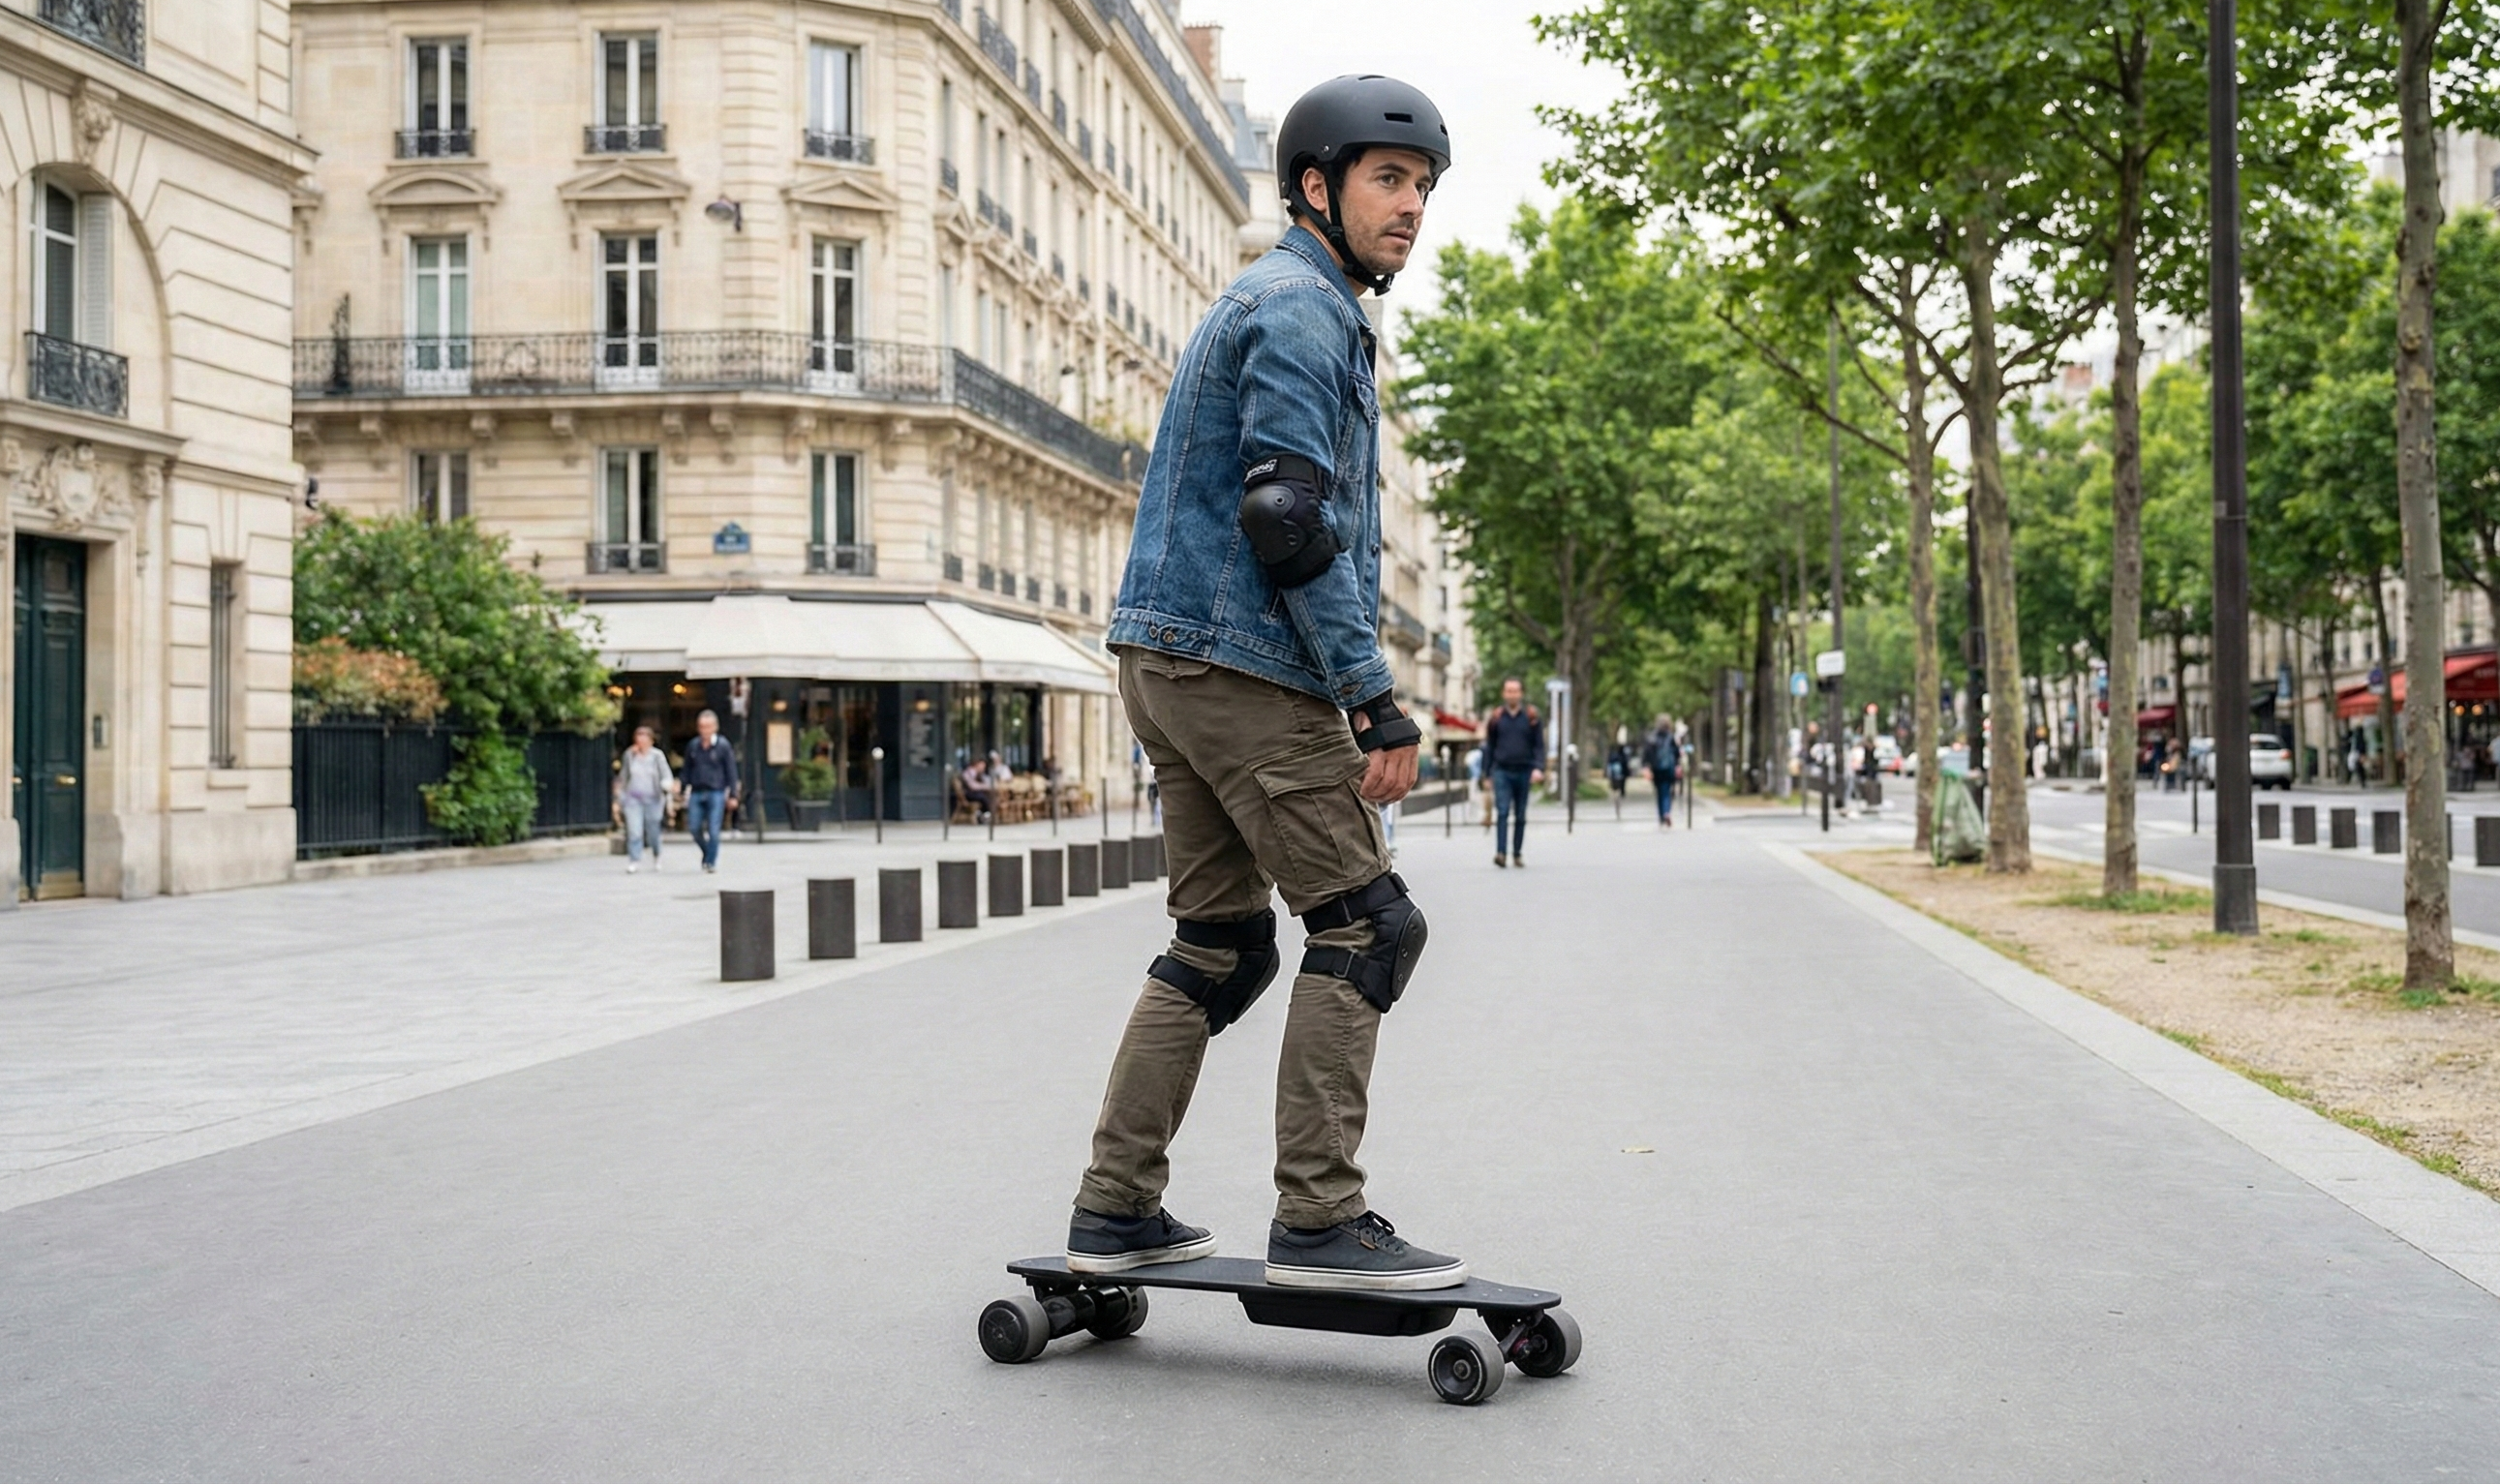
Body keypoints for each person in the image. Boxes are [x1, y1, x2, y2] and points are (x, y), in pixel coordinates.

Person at [1061, 75, 1464, 1292]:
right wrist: (1371, 696)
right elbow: (1288, 514)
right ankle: (1319, 1219)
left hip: (1166, 658)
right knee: (1366, 924)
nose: (1410, 207)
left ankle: (1115, 1206)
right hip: (1243, 666)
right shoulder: (1302, 307)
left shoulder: (1272, 297)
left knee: (1220, 945)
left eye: (1423, 187)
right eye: (1389, 179)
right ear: (1314, 184)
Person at [1483, 677, 1543, 867]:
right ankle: (1501, 852)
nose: (1512, 694)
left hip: (1524, 770)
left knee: (1521, 814)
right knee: (1502, 812)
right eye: (1509, 691)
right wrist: (1487, 774)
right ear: (1504, 693)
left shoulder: (1531, 717)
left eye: (1515, 691)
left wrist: (1538, 768)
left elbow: (1539, 746)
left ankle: (1517, 853)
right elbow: (1489, 746)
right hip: (1502, 770)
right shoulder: (1496, 718)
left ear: (1521, 694)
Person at [680, 709, 739, 873]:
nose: (704, 731)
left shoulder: (722, 746)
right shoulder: (693, 746)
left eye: (708, 727)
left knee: (714, 830)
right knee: (694, 827)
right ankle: (707, 852)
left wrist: (733, 794)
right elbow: (687, 769)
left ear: (715, 727)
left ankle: (710, 862)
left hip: (716, 791)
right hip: (697, 790)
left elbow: (731, 771)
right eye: (701, 727)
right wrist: (683, 788)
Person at [615, 724, 674, 872]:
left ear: (651, 740)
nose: (641, 741)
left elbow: (666, 774)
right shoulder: (630, 755)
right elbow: (624, 776)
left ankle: (657, 853)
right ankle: (634, 859)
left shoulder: (657, 756)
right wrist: (620, 796)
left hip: (653, 798)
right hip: (633, 798)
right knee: (634, 830)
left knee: (653, 830)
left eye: (644, 738)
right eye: (638, 737)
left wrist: (666, 785)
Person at [1644, 713, 1681, 827]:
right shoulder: (1671, 738)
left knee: (1659, 792)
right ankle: (1666, 812)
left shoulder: (1652, 737)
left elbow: (1647, 754)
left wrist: (1646, 767)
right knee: (1667, 792)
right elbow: (1677, 754)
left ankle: (1661, 816)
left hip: (1656, 768)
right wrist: (1678, 766)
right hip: (1669, 768)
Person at [960, 756, 994, 821]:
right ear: (977, 764)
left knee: (989, 797)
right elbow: (972, 786)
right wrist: (985, 786)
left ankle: (984, 814)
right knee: (983, 797)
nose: (983, 768)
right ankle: (986, 815)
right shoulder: (967, 773)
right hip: (968, 794)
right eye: (982, 765)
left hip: (976, 793)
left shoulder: (979, 774)